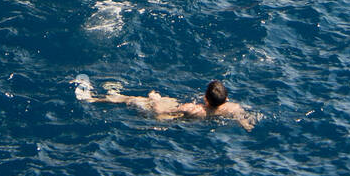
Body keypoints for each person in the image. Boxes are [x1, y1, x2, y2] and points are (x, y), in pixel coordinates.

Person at [75, 77, 259, 128]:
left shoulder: (193, 109)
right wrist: (246, 124)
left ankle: (94, 98)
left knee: (134, 100)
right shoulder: (232, 108)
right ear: (226, 98)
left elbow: (161, 113)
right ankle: (112, 94)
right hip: (189, 120)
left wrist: (155, 100)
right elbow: (245, 120)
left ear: (205, 98)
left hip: (163, 118)